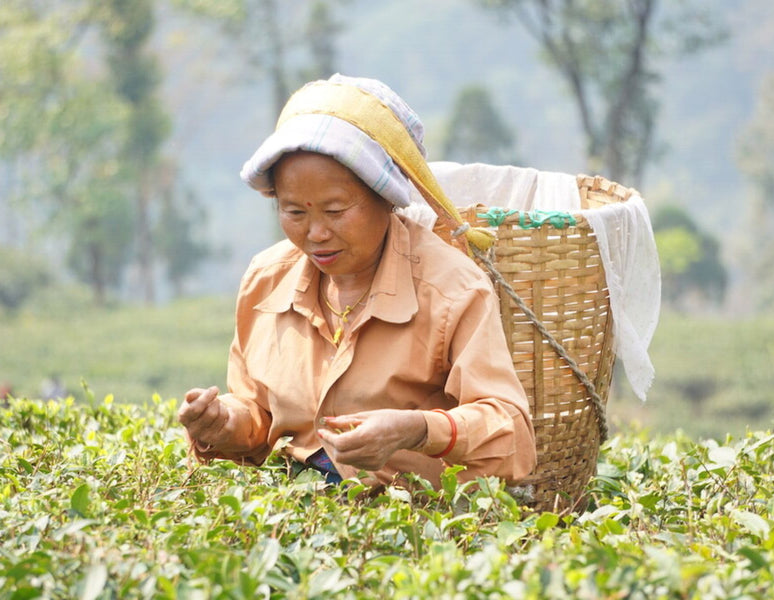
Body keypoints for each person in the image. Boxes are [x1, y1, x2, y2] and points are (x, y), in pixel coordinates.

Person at [178, 74, 535, 488]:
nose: (315, 234)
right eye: (295, 213)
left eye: (334, 211)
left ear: (385, 197)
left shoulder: (452, 289)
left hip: (409, 525)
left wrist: (418, 430)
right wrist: (222, 422)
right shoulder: (265, 279)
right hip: (296, 515)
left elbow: (513, 437)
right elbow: (257, 415)